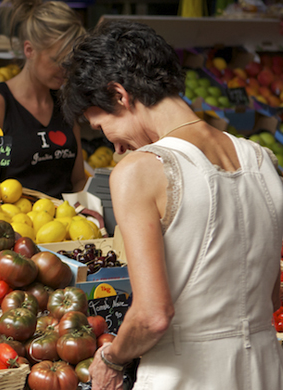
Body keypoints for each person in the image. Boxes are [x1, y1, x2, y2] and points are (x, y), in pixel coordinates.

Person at [61, 20, 283, 389]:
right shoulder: (261, 159)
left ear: (119, 94)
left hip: (185, 375)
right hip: (265, 369)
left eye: (102, 128)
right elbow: (273, 293)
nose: (114, 147)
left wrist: (111, 359)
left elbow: (152, 316)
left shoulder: (140, 170)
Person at [0, 0, 87, 198]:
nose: (66, 70)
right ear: (29, 50)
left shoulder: (65, 104)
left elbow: (78, 182)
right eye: (57, 60)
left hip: (68, 225)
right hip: (13, 226)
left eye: (71, 62)